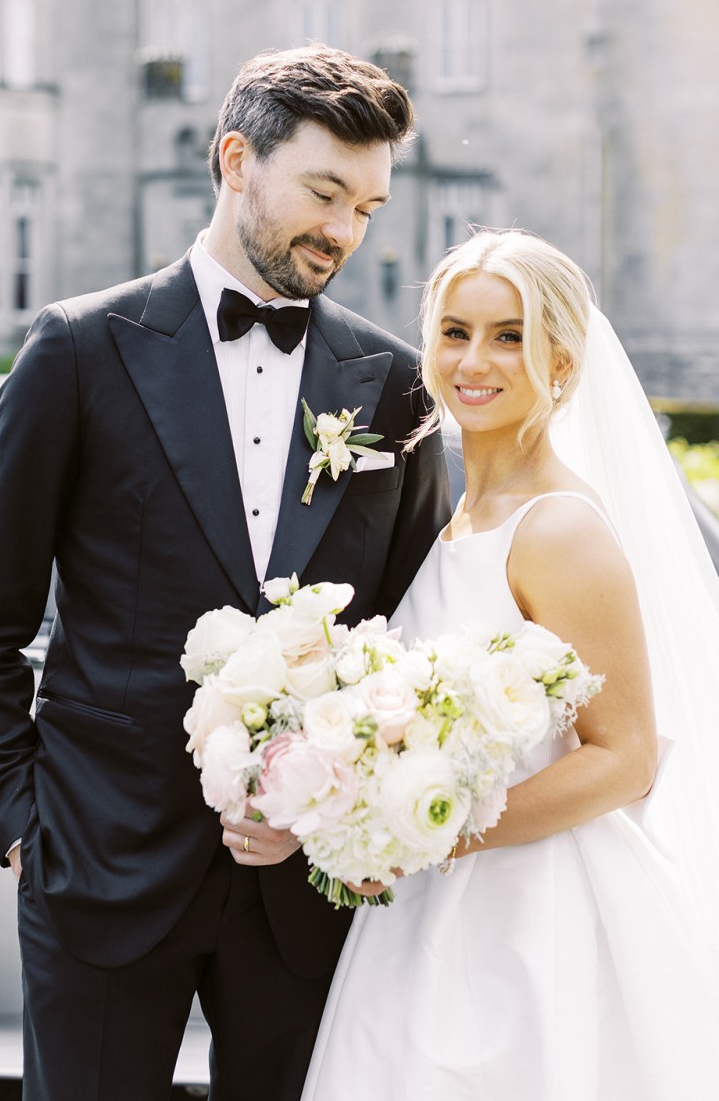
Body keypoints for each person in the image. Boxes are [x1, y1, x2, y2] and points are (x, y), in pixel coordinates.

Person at [0, 45, 451, 1101]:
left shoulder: (394, 386)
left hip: (309, 890)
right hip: (99, 862)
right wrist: (20, 826)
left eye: (366, 206)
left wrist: (363, 818)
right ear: (234, 160)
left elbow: (415, 629)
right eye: (322, 192)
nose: (344, 232)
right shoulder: (78, 350)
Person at [301, 229, 719, 1101]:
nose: (473, 359)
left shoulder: (558, 527)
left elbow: (627, 757)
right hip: (427, 912)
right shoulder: (461, 515)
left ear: (560, 362)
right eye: (454, 331)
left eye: (508, 335)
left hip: (533, 923)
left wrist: (428, 831)